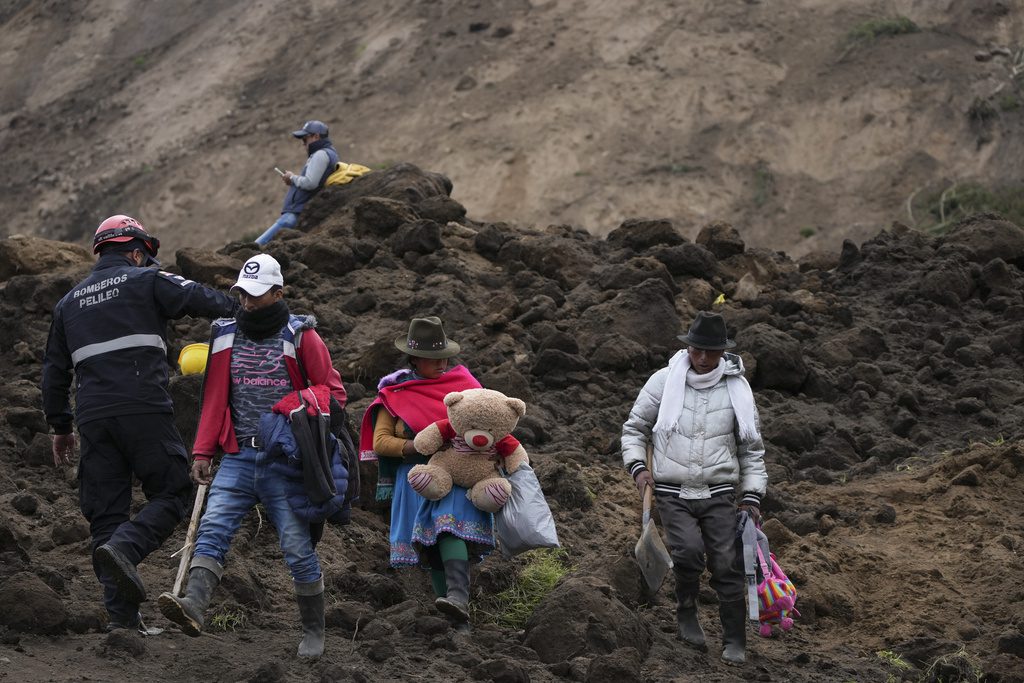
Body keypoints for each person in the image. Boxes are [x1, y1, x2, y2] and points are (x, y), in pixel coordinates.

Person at [41, 214, 237, 632]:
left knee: (106, 514)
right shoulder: (146, 280)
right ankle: (126, 549)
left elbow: (53, 374)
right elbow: (205, 299)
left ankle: (123, 626)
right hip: (143, 406)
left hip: (92, 417)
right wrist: (247, 308)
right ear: (135, 252)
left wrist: (60, 427)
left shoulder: (68, 303)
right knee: (174, 491)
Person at [156, 254, 346, 657]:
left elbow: (333, 393)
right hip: (238, 455)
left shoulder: (301, 337)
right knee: (213, 527)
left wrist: (291, 406)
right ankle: (193, 605)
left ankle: (314, 631)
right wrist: (203, 450)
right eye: (242, 295)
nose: (247, 303)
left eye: (257, 296)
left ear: (279, 293)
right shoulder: (224, 335)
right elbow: (214, 398)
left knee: (296, 546)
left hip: (285, 458)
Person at [620, 311, 768, 666]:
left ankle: (735, 639)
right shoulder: (663, 381)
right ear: (688, 347)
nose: (701, 359)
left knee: (726, 562)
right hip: (672, 490)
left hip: (718, 492)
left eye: (710, 352)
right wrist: (638, 468)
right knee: (686, 553)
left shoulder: (738, 390)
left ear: (723, 353)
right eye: (696, 350)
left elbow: (751, 449)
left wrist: (751, 496)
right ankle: (686, 612)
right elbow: (635, 428)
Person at [358, 317, 495, 630]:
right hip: (417, 478)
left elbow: (485, 421)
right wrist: (415, 447)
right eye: (433, 359)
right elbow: (380, 442)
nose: (442, 363)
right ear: (414, 359)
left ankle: (459, 597)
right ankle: (455, 620)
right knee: (432, 549)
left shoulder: (464, 388)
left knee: (449, 529)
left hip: (456, 473)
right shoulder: (395, 393)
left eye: (443, 356)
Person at [255, 120, 338, 245]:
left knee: (256, 246)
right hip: (297, 215)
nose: (303, 144)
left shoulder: (320, 154)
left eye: (305, 140)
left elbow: (310, 183)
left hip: (294, 215)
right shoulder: (327, 153)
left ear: (316, 136)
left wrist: (292, 178)